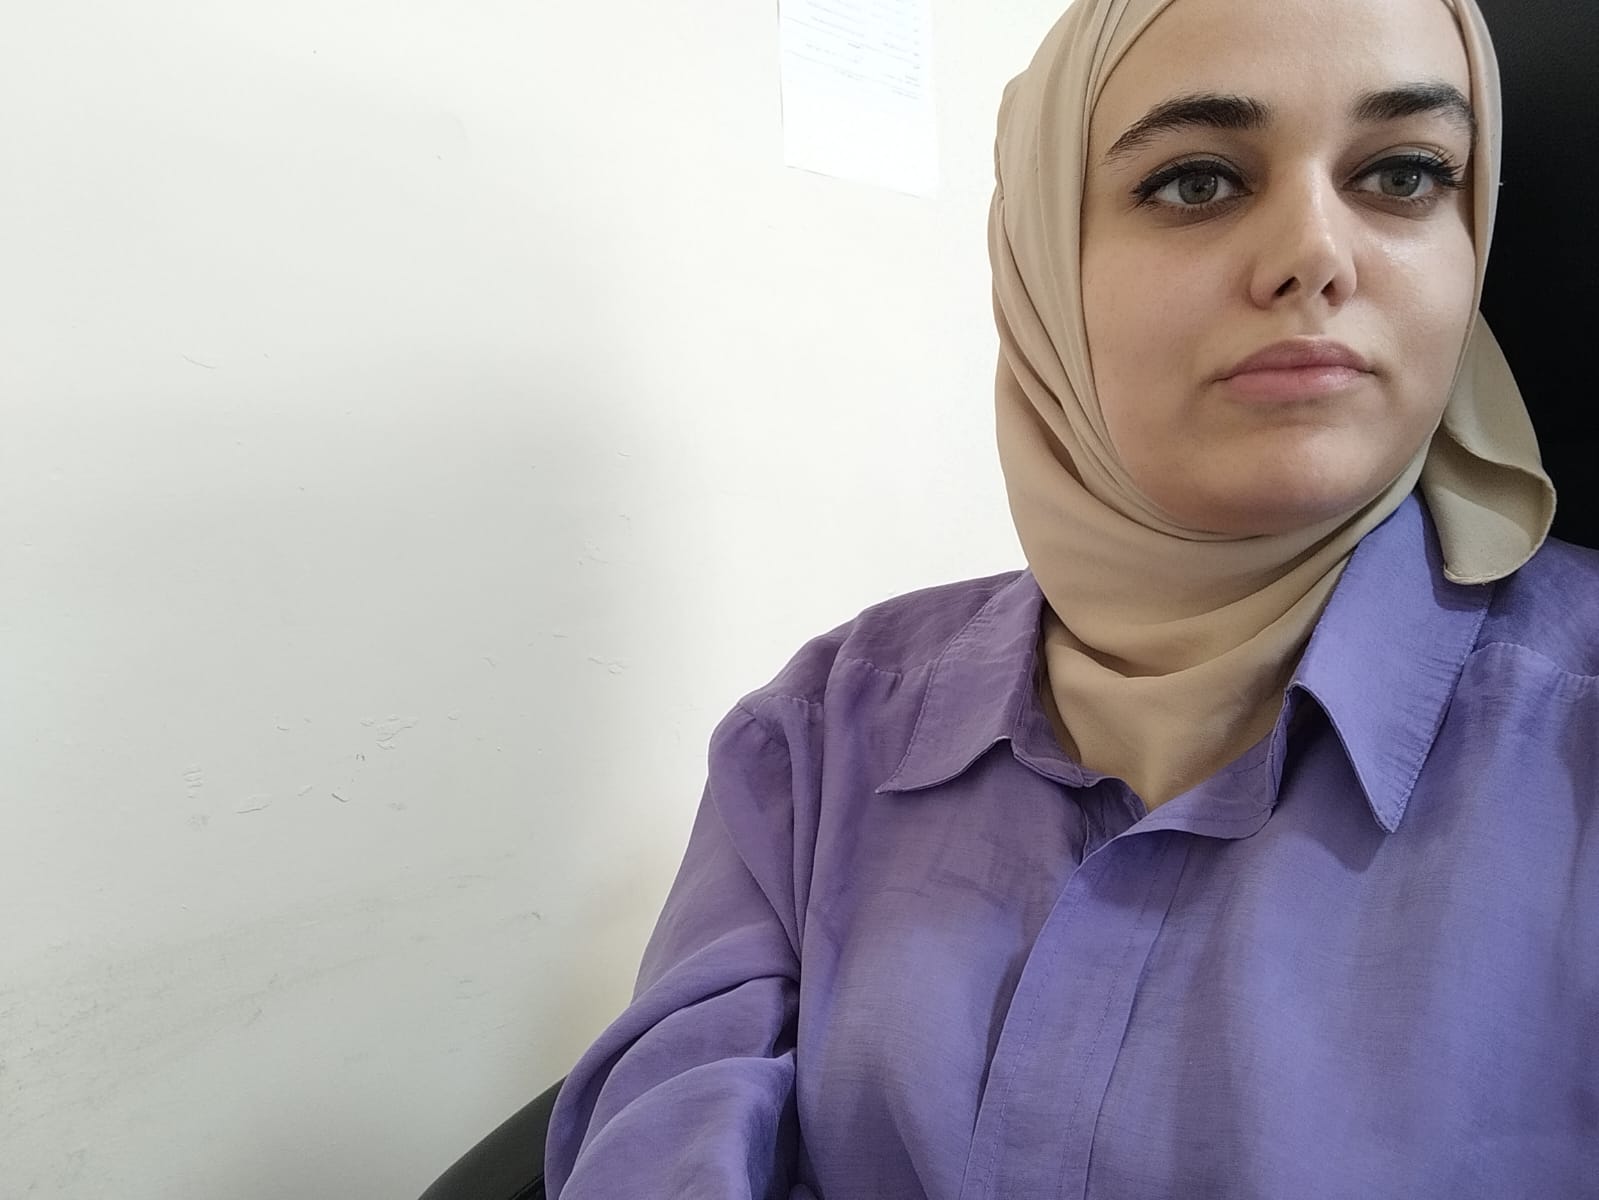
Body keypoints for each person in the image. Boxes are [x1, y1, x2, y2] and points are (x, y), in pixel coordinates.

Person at [545, 0, 1599, 1194]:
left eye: (1403, 175)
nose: (1317, 253)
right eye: (1198, 182)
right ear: (1042, 259)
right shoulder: (823, 735)